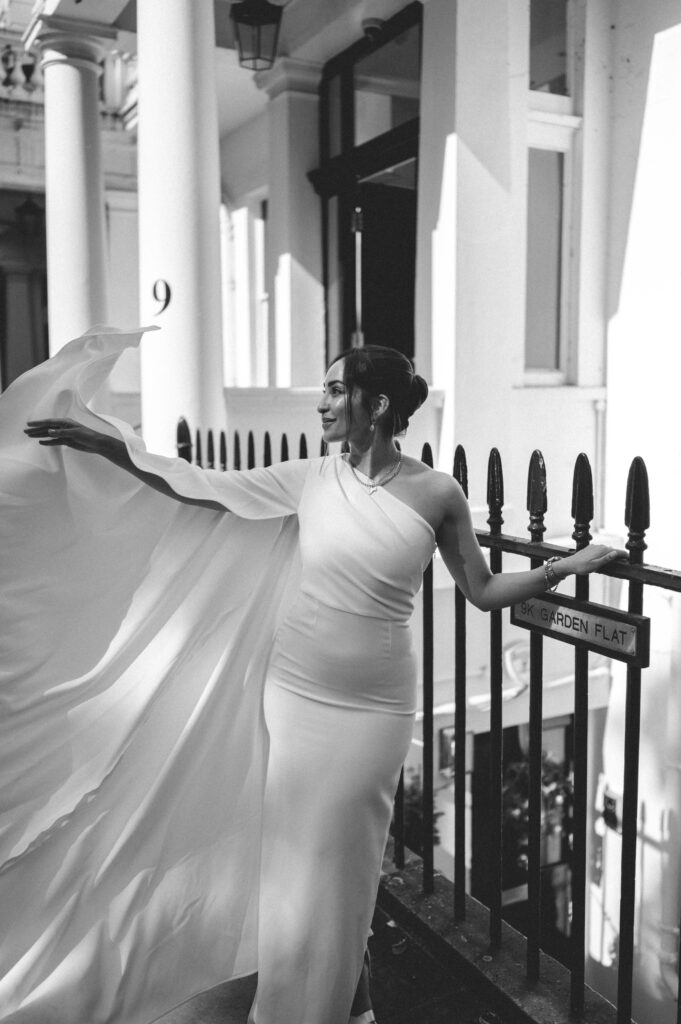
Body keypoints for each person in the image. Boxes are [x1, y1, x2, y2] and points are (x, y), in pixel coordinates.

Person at [1, 330, 620, 1024]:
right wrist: (114, 450)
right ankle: (340, 1006)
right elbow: (203, 489)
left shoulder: (436, 492)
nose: (320, 403)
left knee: (346, 864)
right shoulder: (309, 477)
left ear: (375, 403)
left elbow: (478, 589)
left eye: (334, 390)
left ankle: (328, 1007)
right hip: (294, 698)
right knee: (297, 867)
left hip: (374, 714)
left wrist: (563, 568)